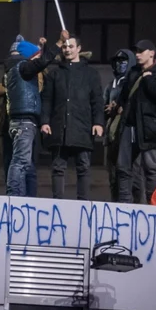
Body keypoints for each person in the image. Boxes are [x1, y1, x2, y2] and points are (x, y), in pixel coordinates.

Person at [40, 35, 104, 200]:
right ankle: (58, 202)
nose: (67, 49)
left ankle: (82, 203)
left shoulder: (91, 74)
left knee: (83, 166)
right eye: (65, 47)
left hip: (82, 127)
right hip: (59, 127)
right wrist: (45, 121)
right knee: (58, 168)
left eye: (71, 46)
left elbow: (97, 100)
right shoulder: (55, 74)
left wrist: (98, 122)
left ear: (79, 49)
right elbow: (47, 100)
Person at [4, 32, 64, 197]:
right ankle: (15, 196)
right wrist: (58, 43)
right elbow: (42, 62)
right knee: (21, 162)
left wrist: (40, 49)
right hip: (24, 122)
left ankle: (25, 196)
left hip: (21, 121)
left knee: (27, 164)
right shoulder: (22, 68)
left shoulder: (13, 69)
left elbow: (38, 62)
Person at [114, 39, 156, 204]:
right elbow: (124, 96)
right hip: (129, 125)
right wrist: (118, 105)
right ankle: (126, 204)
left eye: (141, 51)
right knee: (124, 166)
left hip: (149, 128)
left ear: (151, 53)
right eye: (136, 52)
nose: (137, 55)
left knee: (150, 167)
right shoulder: (134, 72)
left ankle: (152, 205)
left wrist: (149, 80)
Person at [104, 49, 145, 203]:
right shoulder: (110, 86)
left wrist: (122, 107)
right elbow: (104, 107)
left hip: (130, 134)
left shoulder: (134, 82)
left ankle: (138, 206)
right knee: (114, 175)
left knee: (133, 173)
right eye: (117, 61)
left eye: (123, 61)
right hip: (112, 135)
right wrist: (109, 109)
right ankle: (116, 205)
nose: (119, 65)